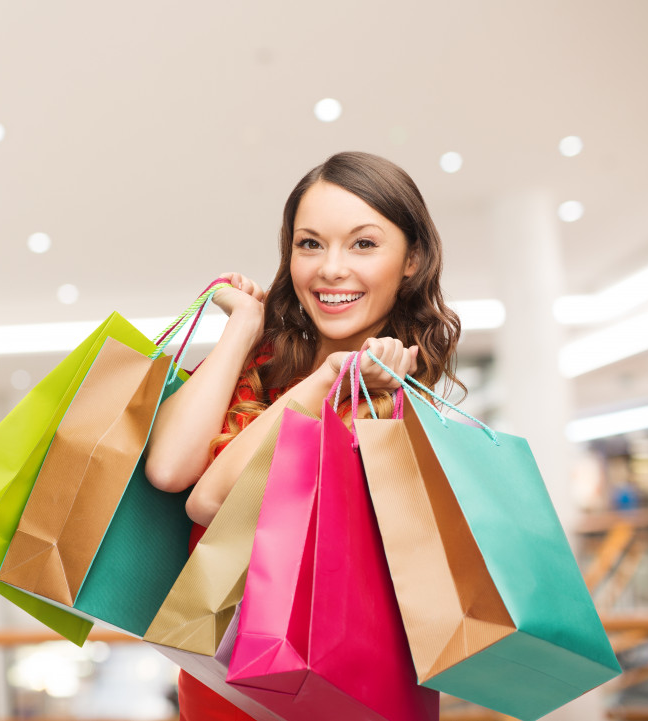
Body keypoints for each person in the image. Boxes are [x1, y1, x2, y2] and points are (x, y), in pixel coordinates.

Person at [144, 151, 462, 720]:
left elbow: (212, 500)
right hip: (220, 676)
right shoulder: (264, 361)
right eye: (309, 243)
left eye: (363, 244)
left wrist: (329, 380)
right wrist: (243, 329)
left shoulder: (399, 410)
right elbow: (169, 469)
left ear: (412, 259)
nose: (330, 269)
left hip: (329, 690)